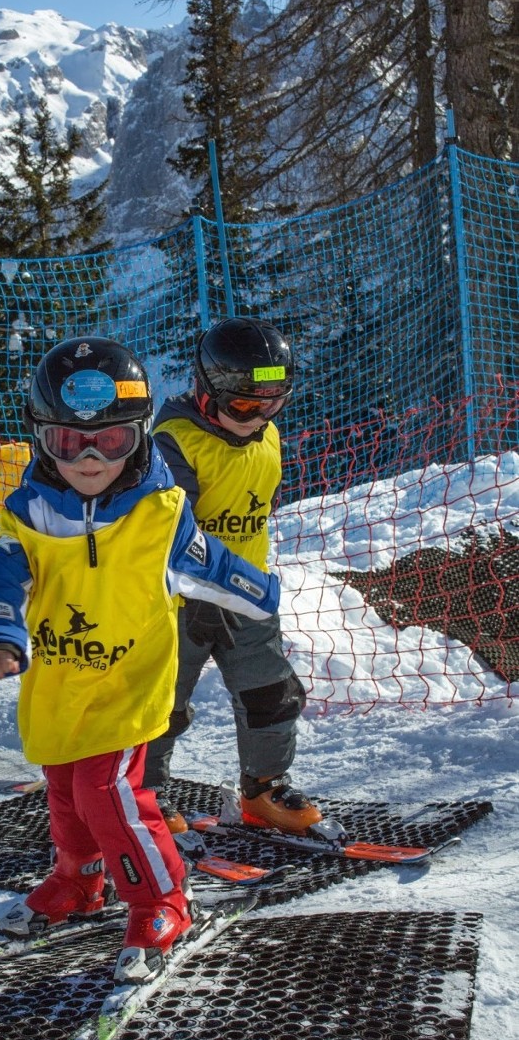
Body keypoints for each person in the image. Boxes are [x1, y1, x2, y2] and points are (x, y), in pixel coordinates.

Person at [0, 336, 280, 983]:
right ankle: (79, 879)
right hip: (60, 683)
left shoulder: (157, 512)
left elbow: (208, 562)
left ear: (136, 436)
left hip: (129, 682)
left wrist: (259, 592)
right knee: (64, 789)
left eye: (107, 442)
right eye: (67, 442)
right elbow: (3, 572)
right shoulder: (34, 510)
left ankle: (162, 898)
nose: (88, 459)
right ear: (40, 438)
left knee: (107, 792)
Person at [141, 316, 319, 837]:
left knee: (274, 692)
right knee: (162, 706)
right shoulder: (173, 444)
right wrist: (206, 590)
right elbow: (176, 535)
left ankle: (263, 788)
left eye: (272, 403)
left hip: (245, 594)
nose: (257, 416)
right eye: (243, 404)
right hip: (178, 604)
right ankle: (145, 794)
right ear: (205, 391)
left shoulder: (268, 438)